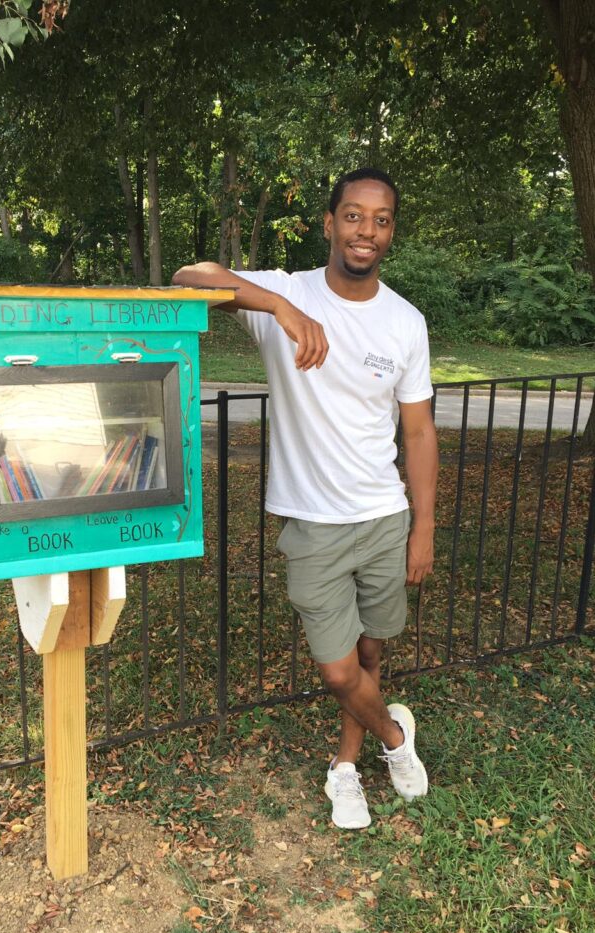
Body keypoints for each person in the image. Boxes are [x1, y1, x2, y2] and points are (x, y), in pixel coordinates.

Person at [172, 167, 438, 829]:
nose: (365, 231)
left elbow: (419, 428)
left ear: (391, 231)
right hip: (314, 525)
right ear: (329, 223)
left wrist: (424, 526)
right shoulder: (284, 294)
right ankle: (395, 739)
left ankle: (346, 768)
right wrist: (279, 308)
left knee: (372, 655)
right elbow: (187, 277)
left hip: (383, 515)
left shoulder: (405, 323)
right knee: (340, 670)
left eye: (380, 220)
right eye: (353, 215)